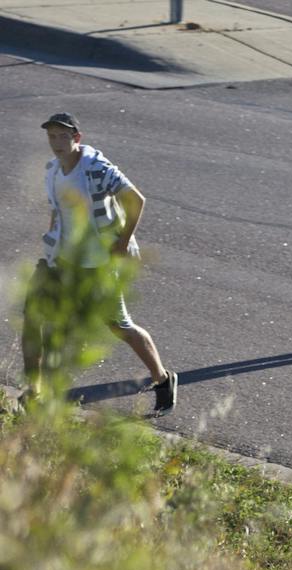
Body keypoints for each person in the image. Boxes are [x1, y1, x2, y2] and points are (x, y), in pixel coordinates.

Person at [22, 112, 178, 414]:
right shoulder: (52, 170)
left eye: (62, 136)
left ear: (76, 138)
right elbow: (57, 211)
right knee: (34, 319)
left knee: (119, 326)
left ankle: (162, 378)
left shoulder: (96, 168)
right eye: (51, 136)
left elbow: (136, 200)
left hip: (99, 264)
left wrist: (121, 244)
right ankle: (34, 394)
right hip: (62, 261)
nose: (56, 142)